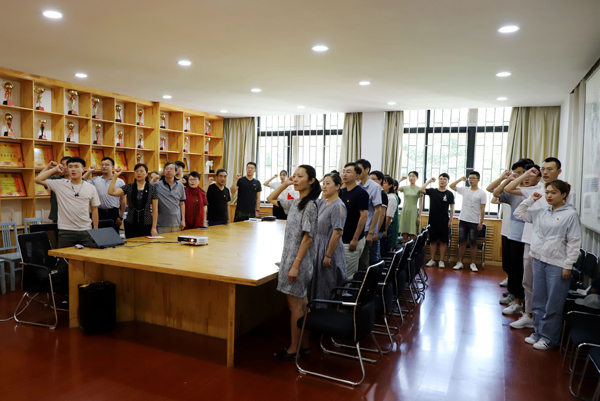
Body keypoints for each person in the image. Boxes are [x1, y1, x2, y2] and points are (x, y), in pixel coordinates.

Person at [504, 158, 573, 329]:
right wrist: (526, 174)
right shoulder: (535, 189)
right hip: (531, 241)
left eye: (550, 169)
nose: (545, 172)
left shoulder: (565, 190)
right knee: (527, 281)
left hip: (553, 246)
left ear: (559, 171)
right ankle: (528, 314)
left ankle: (544, 323)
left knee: (547, 287)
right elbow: (508, 188)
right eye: (543, 169)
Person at [514, 180, 581, 350]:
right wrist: (531, 199)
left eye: (554, 192)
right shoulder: (542, 211)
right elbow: (518, 213)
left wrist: (568, 265)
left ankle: (549, 338)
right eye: (547, 192)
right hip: (538, 260)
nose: (549, 195)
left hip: (557, 264)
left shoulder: (570, 214)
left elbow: (574, 241)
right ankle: (538, 333)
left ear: (564, 195)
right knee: (538, 300)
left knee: (553, 304)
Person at [267, 164, 320, 360]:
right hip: (292, 259)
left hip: (299, 263)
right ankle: (303, 347)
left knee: (295, 308)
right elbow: (271, 198)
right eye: (294, 176)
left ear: (311, 181)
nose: (295, 179)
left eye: (300, 176)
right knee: (303, 305)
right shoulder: (296, 203)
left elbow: (307, 238)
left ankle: (293, 350)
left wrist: (295, 265)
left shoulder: (310, 205)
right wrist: (286, 183)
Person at [489, 159, 534, 316]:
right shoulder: (514, 191)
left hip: (526, 237)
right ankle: (514, 296)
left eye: (522, 173)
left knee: (521, 272)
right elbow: (494, 192)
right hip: (510, 233)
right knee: (511, 268)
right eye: (518, 173)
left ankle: (520, 302)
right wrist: (506, 178)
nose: (520, 176)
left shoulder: (533, 192)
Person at [35, 157, 100, 248]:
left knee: (87, 256)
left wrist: (95, 230)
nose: (73, 169)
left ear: (83, 169)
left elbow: (94, 209)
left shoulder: (91, 187)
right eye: (70, 167)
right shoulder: (60, 184)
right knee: (64, 256)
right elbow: (37, 180)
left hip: (85, 230)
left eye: (76, 166)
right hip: (66, 231)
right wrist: (54, 169)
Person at [310, 173, 347, 306]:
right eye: (323, 183)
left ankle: (325, 311)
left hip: (329, 247)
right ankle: (314, 310)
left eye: (328, 183)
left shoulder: (338, 206)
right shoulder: (323, 202)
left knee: (327, 283)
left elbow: (337, 233)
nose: (324, 186)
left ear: (337, 186)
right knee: (316, 281)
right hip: (318, 245)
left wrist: (328, 255)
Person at [108, 163, 158, 239]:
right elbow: (111, 192)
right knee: (131, 244)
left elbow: (155, 210)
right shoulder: (129, 187)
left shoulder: (152, 188)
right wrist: (115, 176)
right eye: (136, 171)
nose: (139, 173)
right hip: (131, 222)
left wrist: (154, 227)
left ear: (146, 174)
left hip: (146, 223)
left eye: (141, 171)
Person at [450, 171, 487, 272]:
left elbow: (482, 209)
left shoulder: (482, 193)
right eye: (470, 178)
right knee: (462, 242)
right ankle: (460, 262)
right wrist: (460, 179)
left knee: (473, 243)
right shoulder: (465, 190)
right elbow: (451, 186)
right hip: (463, 220)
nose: (471, 180)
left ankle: (473, 263)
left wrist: (481, 222)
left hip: (474, 221)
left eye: (473, 178)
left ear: (478, 180)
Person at [339, 163, 369, 278]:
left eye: (348, 172)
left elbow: (363, 216)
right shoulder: (341, 192)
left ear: (357, 176)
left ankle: (349, 290)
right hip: (340, 237)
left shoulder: (361, 193)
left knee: (348, 274)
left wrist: (355, 239)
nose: (344, 174)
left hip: (351, 239)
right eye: (343, 171)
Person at [420, 173, 455, 268]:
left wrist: (450, 221)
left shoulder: (449, 194)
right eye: (441, 179)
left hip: (444, 220)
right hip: (433, 220)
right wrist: (429, 181)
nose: (442, 181)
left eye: (444, 179)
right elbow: (421, 189)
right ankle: (432, 259)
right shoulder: (433, 191)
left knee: (443, 241)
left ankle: (441, 261)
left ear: (448, 181)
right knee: (433, 241)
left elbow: (452, 208)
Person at [83, 157, 126, 233]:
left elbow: (123, 200)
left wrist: (121, 216)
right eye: (102, 165)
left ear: (112, 167)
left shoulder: (120, 181)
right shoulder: (95, 180)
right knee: (100, 235)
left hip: (113, 213)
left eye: (107, 165)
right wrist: (89, 171)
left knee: (114, 236)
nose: (104, 166)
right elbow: (81, 182)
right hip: (99, 212)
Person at [355, 159, 383, 270]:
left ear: (367, 170)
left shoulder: (374, 186)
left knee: (363, 259)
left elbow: (377, 210)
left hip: (367, 227)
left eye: (359, 169)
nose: (357, 172)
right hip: (356, 225)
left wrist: (371, 232)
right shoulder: (356, 185)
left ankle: (363, 280)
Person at [152, 162, 186, 233]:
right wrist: (152, 179)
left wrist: (183, 220)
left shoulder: (180, 185)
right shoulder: (156, 185)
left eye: (171, 169)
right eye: (166, 169)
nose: (169, 170)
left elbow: (182, 204)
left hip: (176, 223)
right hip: (161, 224)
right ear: (164, 171)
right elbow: (147, 190)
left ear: (175, 172)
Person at [368, 170, 388, 264]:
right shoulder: (375, 192)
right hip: (373, 227)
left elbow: (382, 214)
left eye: (374, 179)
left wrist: (376, 232)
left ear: (380, 180)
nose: (371, 181)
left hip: (377, 229)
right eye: (370, 179)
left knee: (374, 256)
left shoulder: (382, 194)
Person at [398, 171, 424, 241]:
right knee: (404, 234)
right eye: (410, 176)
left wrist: (419, 216)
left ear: (417, 178)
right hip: (405, 211)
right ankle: (404, 247)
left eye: (413, 176)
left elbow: (420, 204)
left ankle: (412, 248)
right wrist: (401, 179)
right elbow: (394, 187)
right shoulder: (405, 187)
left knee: (412, 234)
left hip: (413, 212)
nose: (411, 178)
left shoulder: (419, 189)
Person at [45, 156, 71, 223]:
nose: (65, 167)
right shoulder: (55, 178)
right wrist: (48, 167)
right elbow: (39, 179)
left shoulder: (78, 181)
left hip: (73, 216)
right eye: (63, 165)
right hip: (58, 217)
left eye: (67, 165)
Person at [380, 175, 399, 254]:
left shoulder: (391, 198)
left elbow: (389, 216)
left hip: (386, 225)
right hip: (381, 224)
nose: (382, 185)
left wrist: (385, 229)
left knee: (384, 250)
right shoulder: (383, 195)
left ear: (390, 185)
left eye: (384, 183)